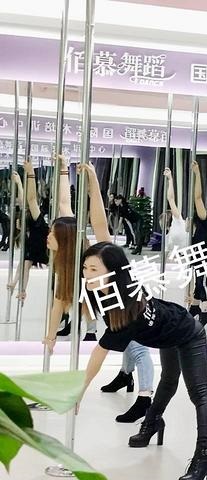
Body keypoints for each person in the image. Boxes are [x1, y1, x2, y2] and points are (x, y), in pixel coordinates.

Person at [78, 242, 207, 480]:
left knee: (199, 393)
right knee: (168, 381)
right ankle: (152, 423)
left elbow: (100, 352)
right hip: (167, 334)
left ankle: (205, 456)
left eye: (94, 269)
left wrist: (79, 390)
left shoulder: (127, 306)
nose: (87, 275)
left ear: (113, 272)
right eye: (85, 268)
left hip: (188, 332)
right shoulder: (105, 291)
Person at [42, 155, 153, 423]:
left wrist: (92, 181)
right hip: (111, 308)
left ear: (63, 239)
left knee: (138, 347)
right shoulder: (67, 264)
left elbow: (100, 222)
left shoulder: (93, 255)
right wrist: (62, 170)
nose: (48, 236)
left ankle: (145, 399)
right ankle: (125, 376)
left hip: (129, 300)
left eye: (52, 234)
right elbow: (65, 203)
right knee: (124, 341)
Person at [6, 162, 48, 301]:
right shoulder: (28, 229)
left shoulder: (36, 219)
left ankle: (20, 288)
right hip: (35, 245)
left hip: (44, 246)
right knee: (24, 264)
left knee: (25, 264)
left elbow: (29, 199)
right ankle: (19, 288)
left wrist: (20, 182)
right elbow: (24, 200)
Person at [187, 161, 207, 328]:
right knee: (198, 284)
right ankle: (194, 308)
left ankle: (205, 312)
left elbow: (198, 197)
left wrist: (197, 174)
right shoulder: (195, 232)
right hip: (199, 260)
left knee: (203, 284)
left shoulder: (204, 223)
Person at [162, 168, 189, 256]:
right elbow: (170, 199)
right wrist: (170, 179)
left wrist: (170, 179)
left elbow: (171, 199)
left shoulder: (181, 224)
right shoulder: (178, 223)